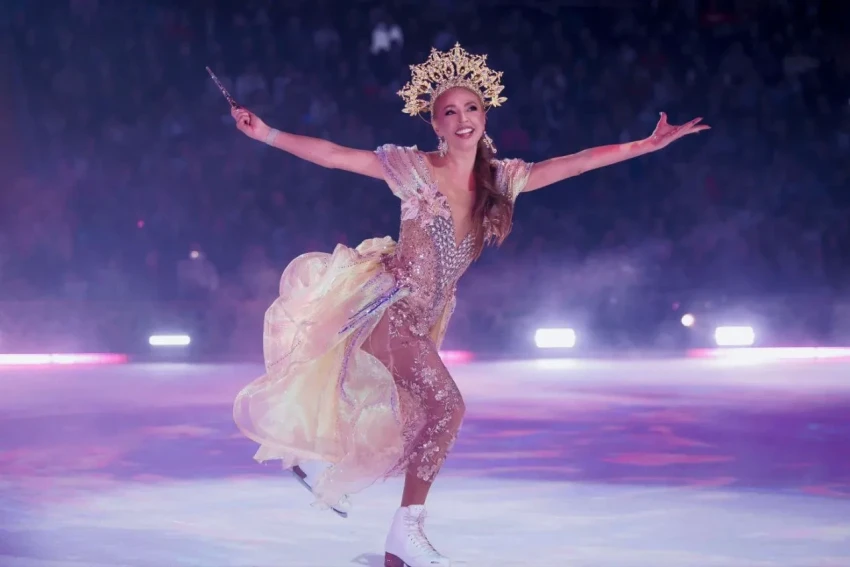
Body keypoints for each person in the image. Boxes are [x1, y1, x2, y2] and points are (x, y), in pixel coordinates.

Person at [230, 43, 708, 567]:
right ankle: (403, 534)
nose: (463, 119)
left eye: (472, 108)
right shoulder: (413, 169)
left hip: (424, 319)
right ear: (435, 124)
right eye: (450, 112)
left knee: (415, 420)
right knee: (447, 407)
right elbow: (335, 155)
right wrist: (267, 133)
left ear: (485, 116)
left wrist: (646, 145)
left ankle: (347, 491)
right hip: (391, 309)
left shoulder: (501, 180)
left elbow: (575, 164)